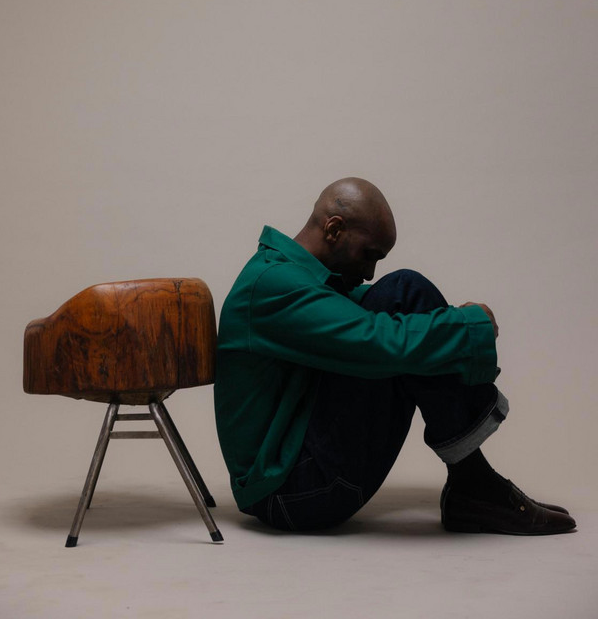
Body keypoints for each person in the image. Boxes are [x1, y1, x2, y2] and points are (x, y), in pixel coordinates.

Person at [214, 177, 575, 535]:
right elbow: (374, 342)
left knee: (407, 299)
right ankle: (474, 484)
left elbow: (382, 324)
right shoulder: (274, 284)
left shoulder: (294, 277)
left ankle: (473, 483)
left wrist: (449, 324)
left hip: (296, 477)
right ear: (334, 230)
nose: (369, 272)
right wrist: (467, 327)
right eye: (368, 254)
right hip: (289, 493)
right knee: (404, 298)